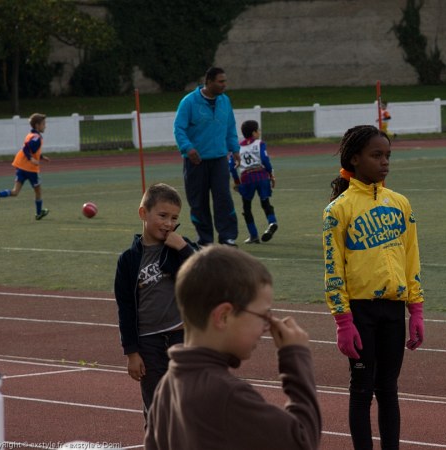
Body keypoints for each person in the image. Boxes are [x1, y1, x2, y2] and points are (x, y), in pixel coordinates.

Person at [144, 245, 322, 450]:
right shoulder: (227, 395)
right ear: (224, 316)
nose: (267, 327)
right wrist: (296, 357)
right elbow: (303, 441)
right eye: (263, 316)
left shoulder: (168, 385)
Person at [323, 125, 425, 450]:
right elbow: (333, 270)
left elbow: (412, 258)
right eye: (376, 155)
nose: (384, 162)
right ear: (355, 158)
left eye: (388, 156)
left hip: (393, 311)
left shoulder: (401, 204)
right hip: (360, 313)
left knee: (389, 389)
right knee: (362, 389)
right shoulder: (337, 211)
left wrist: (416, 310)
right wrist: (343, 321)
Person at [114, 183, 198, 418]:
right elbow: (126, 308)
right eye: (162, 216)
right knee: (156, 406)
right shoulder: (128, 260)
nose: (169, 223)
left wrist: (182, 247)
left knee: (188, 401)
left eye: (174, 218)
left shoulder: (179, 249)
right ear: (143, 213)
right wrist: (131, 352)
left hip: (181, 337)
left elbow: (204, 271)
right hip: (148, 343)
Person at [174, 66, 240, 247]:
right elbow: (179, 128)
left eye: (225, 81)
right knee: (198, 201)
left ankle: (228, 237)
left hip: (219, 159)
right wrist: (188, 148)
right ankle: (205, 238)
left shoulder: (225, 101)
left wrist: (235, 149)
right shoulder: (189, 102)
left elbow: (230, 127)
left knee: (223, 198)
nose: (224, 85)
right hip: (196, 161)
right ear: (209, 82)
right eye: (221, 81)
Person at [0, 113, 51, 220]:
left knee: (15, 192)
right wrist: (31, 159)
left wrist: (40, 157)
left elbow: (31, 150)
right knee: (38, 191)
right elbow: (27, 149)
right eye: (43, 124)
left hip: (21, 167)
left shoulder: (31, 135)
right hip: (30, 169)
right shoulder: (37, 138)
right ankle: (38, 213)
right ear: (37, 125)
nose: (45, 126)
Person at [228, 120, 278, 244]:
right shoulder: (259, 143)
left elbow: (231, 166)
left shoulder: (238, 147)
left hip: (247, 179)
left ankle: (253, 235)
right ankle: (272, 222)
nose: (259, 132)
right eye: (258, 130)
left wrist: (237, 181)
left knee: (246, 207)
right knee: (265, 202)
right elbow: (265, 159)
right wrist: (270, 174)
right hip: (261, 176)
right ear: (254, 132)